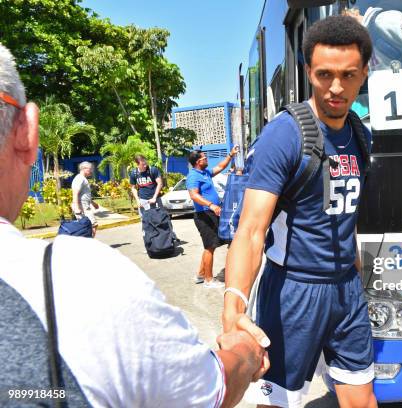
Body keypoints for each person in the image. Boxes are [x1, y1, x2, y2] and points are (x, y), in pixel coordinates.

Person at [0, 42, 269, 407]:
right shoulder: (83, 280)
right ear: (29, 132)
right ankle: (204, 277)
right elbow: (211, 390)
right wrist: (245, 352)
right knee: (208, 248)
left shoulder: (168, 173)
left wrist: (155, 193)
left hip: (166, 208)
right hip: (203, 215)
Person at [223, 16, 377, 408]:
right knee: (279, 404)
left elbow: (346, 213)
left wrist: (355, 276)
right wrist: (232, 306)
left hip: (346, 290)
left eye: (348, 75)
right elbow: (251, 230)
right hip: (294, 292)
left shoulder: (361, 134)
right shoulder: (285, 134)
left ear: (364, 74)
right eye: (324, 74)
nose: (336, 88)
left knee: (362, 397)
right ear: (309, 71)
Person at [187, 146, 239, 287]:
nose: (206, 159)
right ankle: (208, 280)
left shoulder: (205, 173)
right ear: (198, 162)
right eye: (204, 158)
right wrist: (211, 205)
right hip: (204, 215)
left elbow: (220, 167)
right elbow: (194, 195)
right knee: (209, 247)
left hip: (210, 214)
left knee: (211, 246)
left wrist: (231, 155)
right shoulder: (193, 176)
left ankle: (200, 274)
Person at [71, 161, 99, 237]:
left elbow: (84, 194)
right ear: (84, 169)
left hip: (84, 206)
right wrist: (77, 208)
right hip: (81, 207)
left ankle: (87, 244)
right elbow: (75, 193)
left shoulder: (82, 178)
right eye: (90, 169)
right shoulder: (79, 178)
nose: (91, 171)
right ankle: (88, 244)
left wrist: (93, 203)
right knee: (92, 224)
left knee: (87, 226)